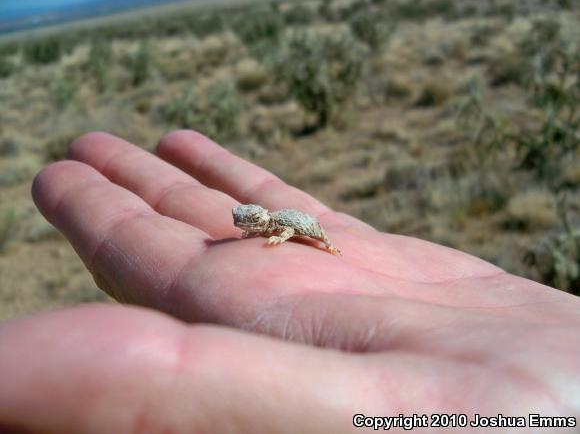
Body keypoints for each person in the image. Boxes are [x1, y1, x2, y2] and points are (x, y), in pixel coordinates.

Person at [0, 130, 578, 433]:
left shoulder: (272, 223)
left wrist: (292, 239)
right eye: (244, 222)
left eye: (246, 220)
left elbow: (282, 226)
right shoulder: (247, 221)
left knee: (315, 237)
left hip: (307, 228)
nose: (242, 225)